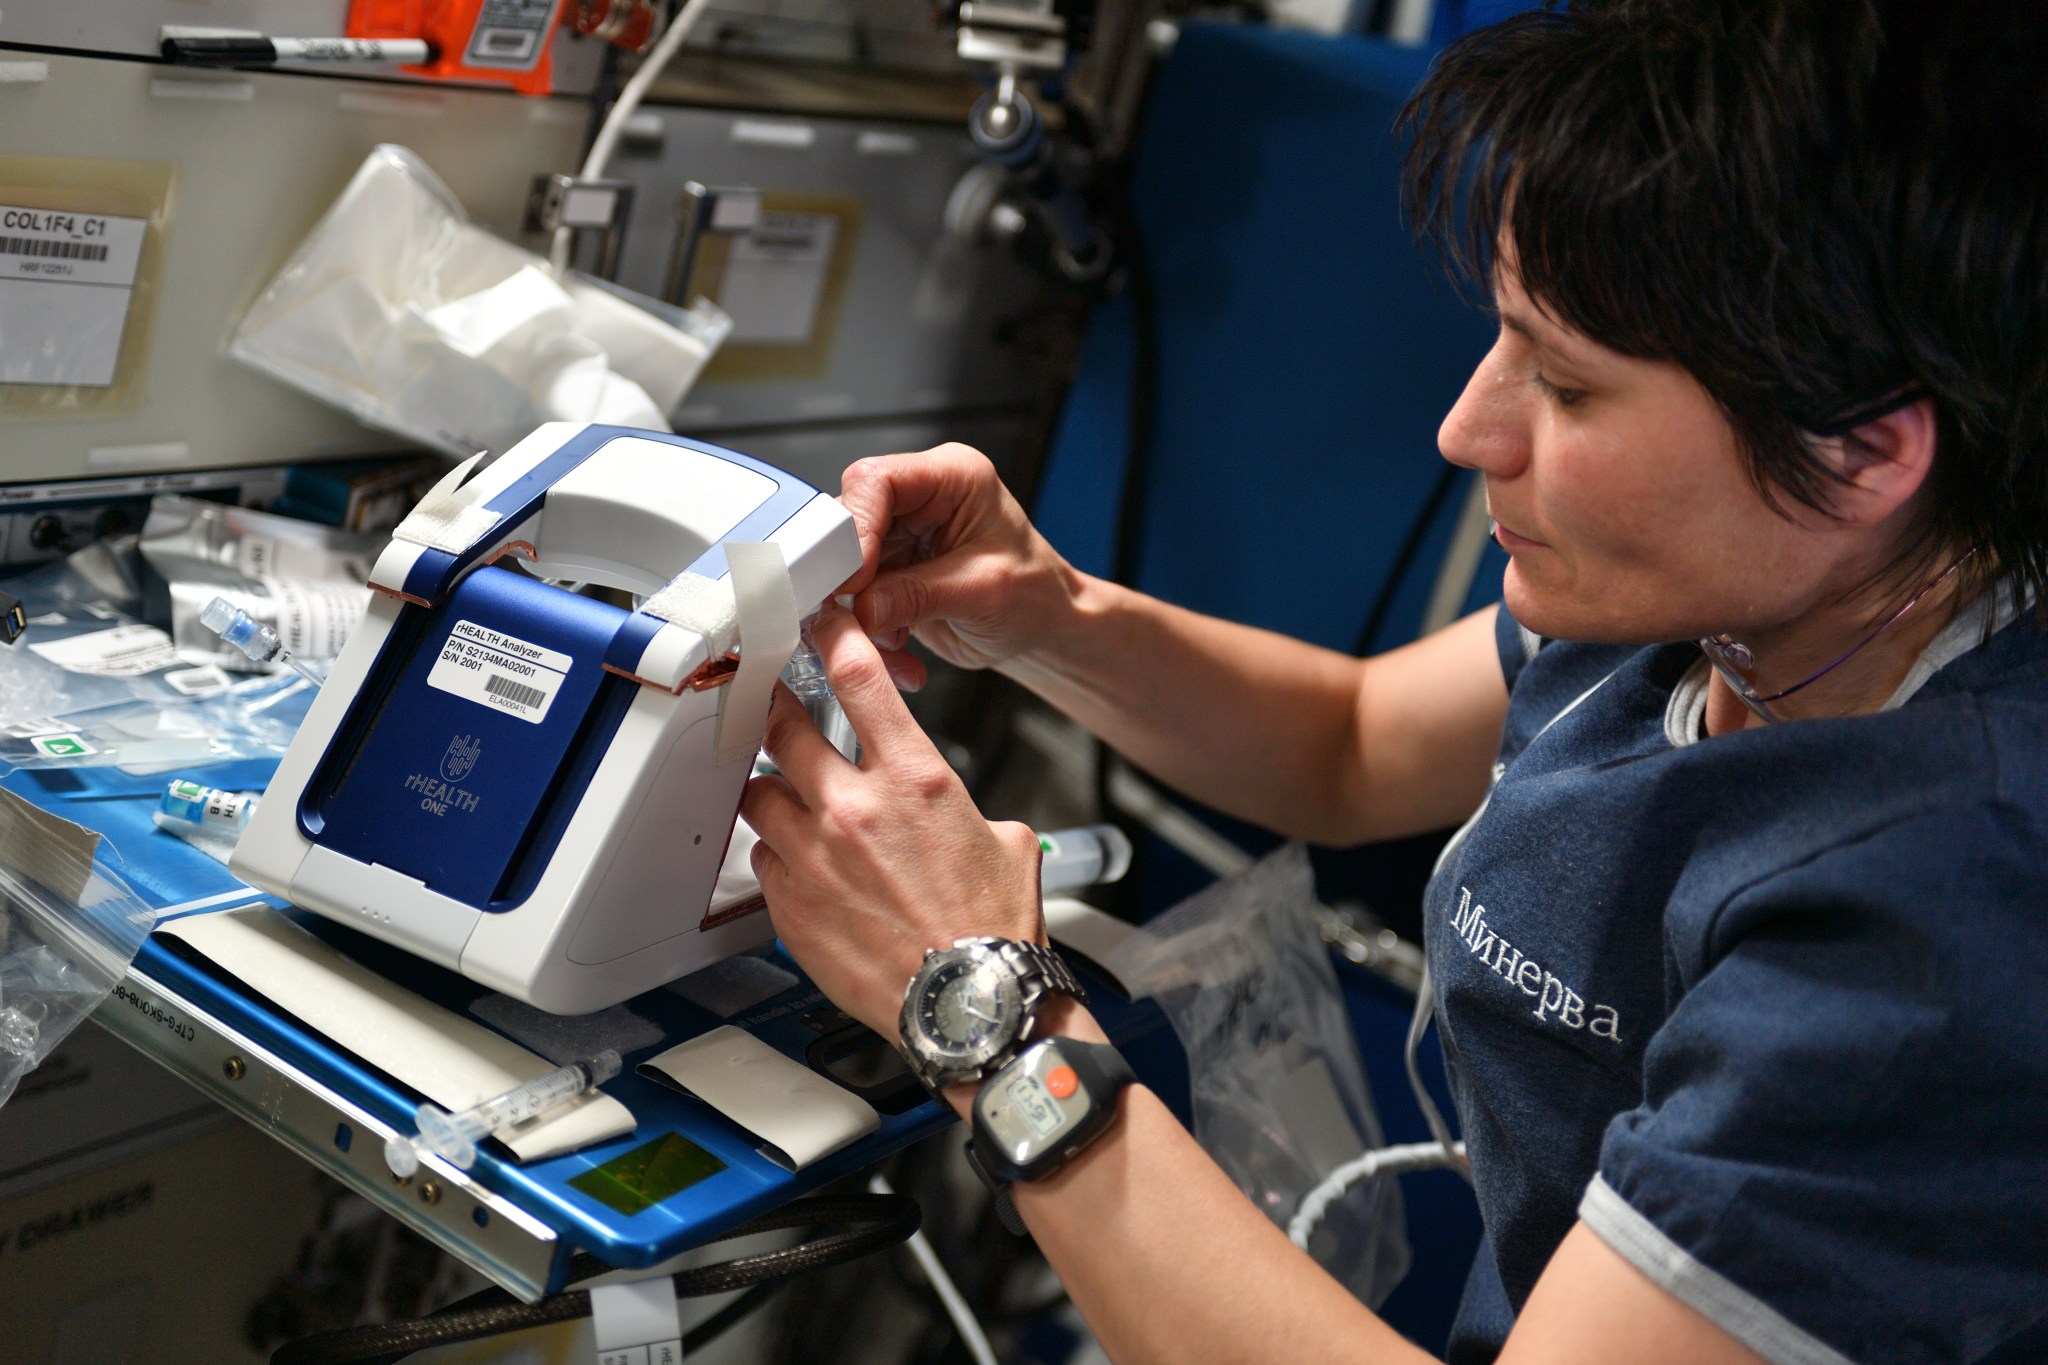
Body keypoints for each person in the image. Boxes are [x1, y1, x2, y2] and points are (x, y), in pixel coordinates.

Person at [740, 3, 2048, 1361]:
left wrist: (987, 1011)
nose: (1467, 428)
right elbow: (1349, 745)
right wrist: (1047, 612)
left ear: (1860, 456)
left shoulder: (1941, 939)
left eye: (1570, 388)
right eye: (1500, 336)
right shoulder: (1736, 598)